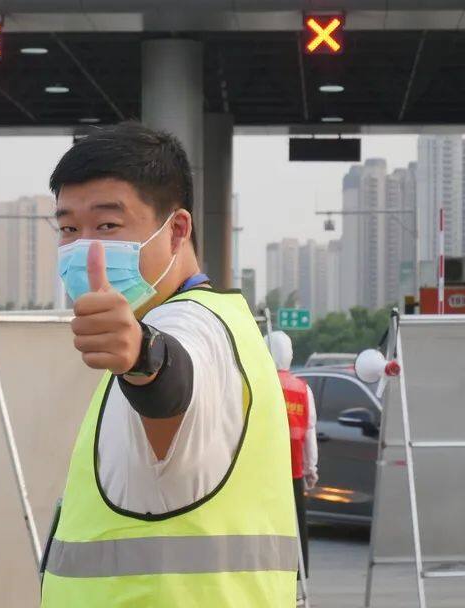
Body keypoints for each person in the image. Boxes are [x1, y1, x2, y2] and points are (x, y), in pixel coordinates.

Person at [39, 122, 296, 607]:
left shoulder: (191, 326)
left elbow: (176, 381)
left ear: (177, 230)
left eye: (107, 226)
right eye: (69, 229)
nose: (83, 247)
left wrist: (141, 357)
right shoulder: (229, 320)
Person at [266, 331, 319, 577]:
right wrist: (311, 469)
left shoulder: (260, 385)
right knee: (296, 523)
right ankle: (298, 574)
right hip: (294, 469)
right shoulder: (302, 389)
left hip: (263, 472)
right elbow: (309, 432)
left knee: (266, 525)